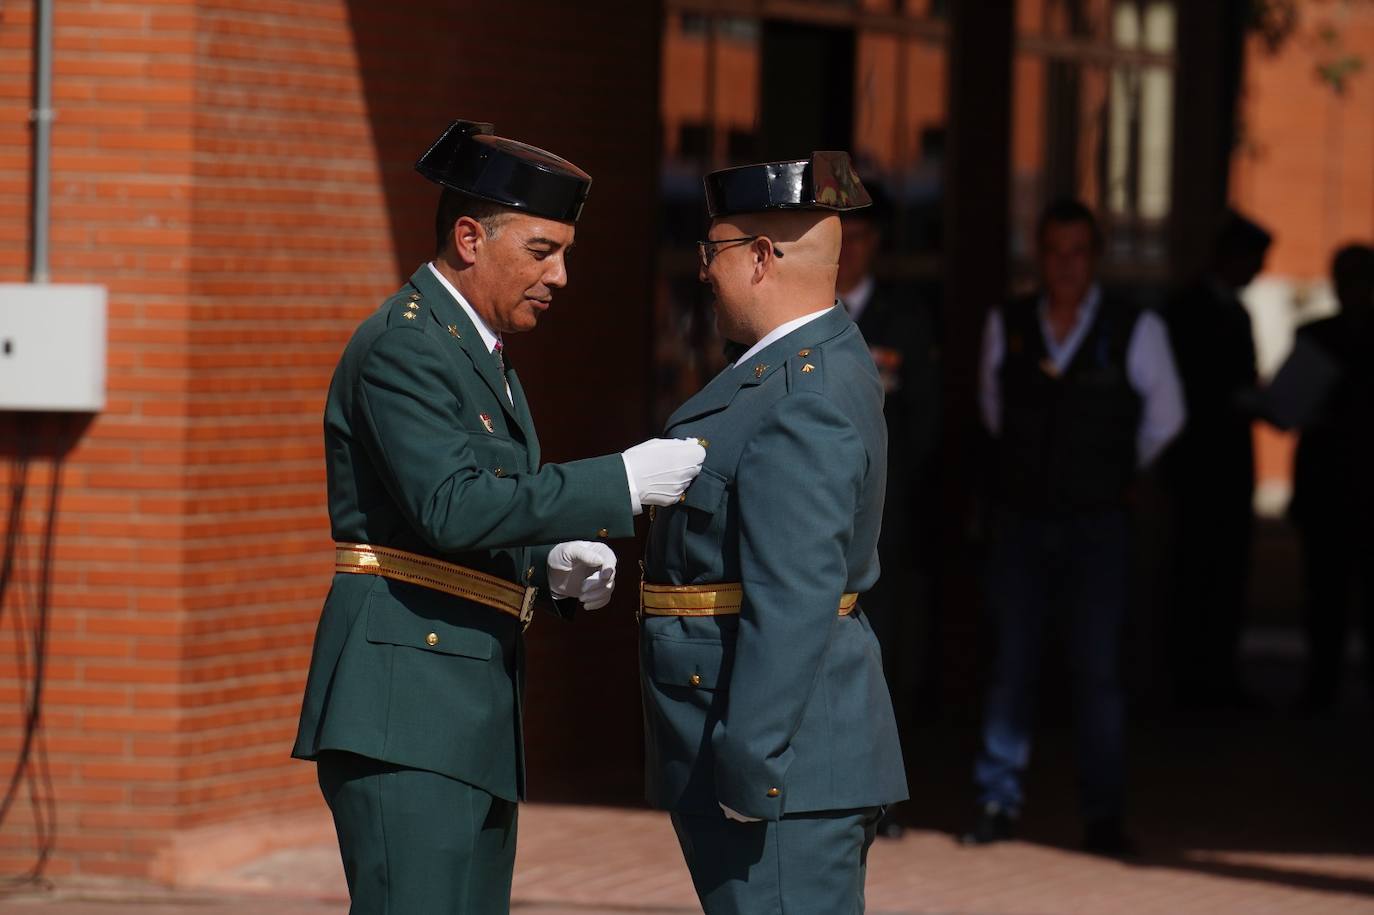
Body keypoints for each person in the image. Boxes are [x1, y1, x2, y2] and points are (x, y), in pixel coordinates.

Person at [291, 120, 705, 914]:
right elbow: (450, 506)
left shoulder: (474, 354)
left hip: (462, 705)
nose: (561, 276)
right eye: (543, 250)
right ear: (471, 237)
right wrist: (617, 481)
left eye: (565, 254)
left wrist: (546, 564)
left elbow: (457, 515)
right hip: (403, 707)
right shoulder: (405, 347)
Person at [638, 152, 907, 915]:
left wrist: (752, 762)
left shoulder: (804, 393)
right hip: (788, 758)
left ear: (760, 258)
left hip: (784, 766)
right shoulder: (799, 367)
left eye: (711, 252)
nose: (702, 272)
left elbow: (796, 594)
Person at [963, 199, 1184, 856]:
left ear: (1096, 256)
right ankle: (995, 799)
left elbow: (1167, 417)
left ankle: (1104, 815)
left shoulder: (1134, 327)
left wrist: (1109, 469)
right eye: (1053, 250)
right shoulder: (1007, 323)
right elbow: (994, 409)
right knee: (1012, 664)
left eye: (1077, 251)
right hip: (1023, 521)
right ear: (1039, 254)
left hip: (1098, 525)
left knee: (1098, 670)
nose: (1064, 264)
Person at [836, 184, 942, 838]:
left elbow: (923, 423)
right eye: (837, 239)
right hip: (815, 522)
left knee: (885, 654)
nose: (847, 252)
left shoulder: (905, 321)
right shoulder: (805, 314)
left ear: (878, 247)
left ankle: (880, 798)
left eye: (860, 239)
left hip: (883, 523)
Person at [1162, 211, 1272, 711]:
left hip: (1228, 462)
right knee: (1195, 571)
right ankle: (1189, 681)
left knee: (1226, 571)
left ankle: (1217, 677)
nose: (1258, 270)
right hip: (1199, 466)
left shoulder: (1236, 312)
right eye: (1254, 260)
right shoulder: (1186, 310)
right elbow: (1184, 389)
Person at [1277, 244, 1374, 715]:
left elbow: (1286, 410)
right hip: (1329, 489)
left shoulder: (1318, 336)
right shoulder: (1316, 336)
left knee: (1328, 597)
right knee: (1325, 597)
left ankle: (1322, 688)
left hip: (1338, 488)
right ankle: (1321, 686)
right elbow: (1286, 408)